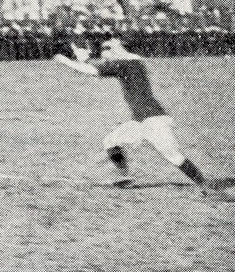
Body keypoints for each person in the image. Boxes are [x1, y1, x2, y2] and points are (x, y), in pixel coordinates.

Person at [54, 36, 225, 196]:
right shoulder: (131, 62)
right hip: (141, 121)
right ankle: (125, 177)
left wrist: (67, 61)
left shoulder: (125, 64)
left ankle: (205, 186)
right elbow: (103, 66)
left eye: (109, 47)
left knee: (173, 155)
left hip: (152, 119)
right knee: (111, 142)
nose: (105, 51)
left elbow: (93, 71)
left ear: (120, 48)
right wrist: (87, 60)